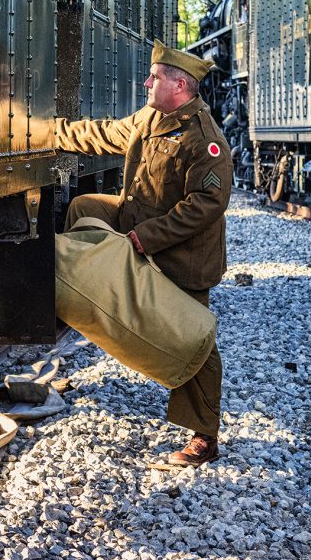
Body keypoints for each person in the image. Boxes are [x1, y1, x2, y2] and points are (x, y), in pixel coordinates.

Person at [54, 41, 231, 467]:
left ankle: (204, 437)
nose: (147, 81)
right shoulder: (151, 118)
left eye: (155, 77)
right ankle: (87, 291)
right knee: (85, 208)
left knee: (194, 341)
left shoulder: (203, 139)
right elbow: (105, 133)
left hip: (184, 254)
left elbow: (206, 205)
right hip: (140, 225)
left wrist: (144, 239)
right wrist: (50, 130)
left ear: (181, 85)